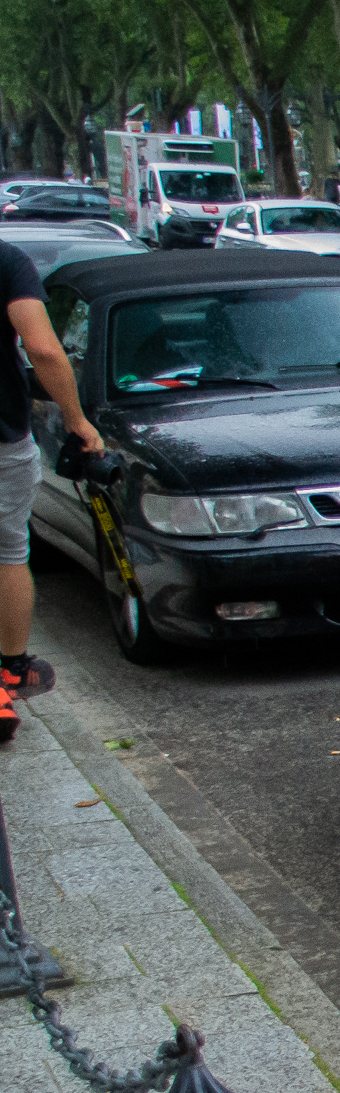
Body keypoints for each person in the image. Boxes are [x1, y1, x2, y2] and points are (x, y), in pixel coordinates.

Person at [0, 240, 102, 742]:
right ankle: (10, 672)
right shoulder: (6, 261)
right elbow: (41, 347)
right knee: (7, 552)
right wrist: (76, 419)